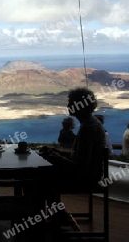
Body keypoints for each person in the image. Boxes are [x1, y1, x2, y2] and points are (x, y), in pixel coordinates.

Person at [39, 87, 105, 226]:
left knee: (40, 180)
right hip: (92, 174)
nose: (68, 106)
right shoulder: (90, 123)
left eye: (71, 102)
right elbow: (80, 156)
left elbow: (79, 168)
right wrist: (57, 153)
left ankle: (47, 219)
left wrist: (56, 157)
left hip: (86, 178)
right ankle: (58, 215)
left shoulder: (88, 128)